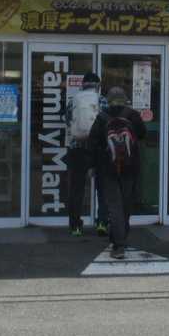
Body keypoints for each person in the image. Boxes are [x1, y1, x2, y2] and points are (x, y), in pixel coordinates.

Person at [88, 85, 146, 260]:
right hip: (130, 167)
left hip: (108, 168)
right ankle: (121, 238)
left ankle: (118, 244)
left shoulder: (102, 117)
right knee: (126, 205)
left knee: (114, 206)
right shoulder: (133, 115)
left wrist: (93, 166)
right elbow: (142, 134)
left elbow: (93, 142)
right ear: (125, 99)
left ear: (108, 100)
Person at [65, 71, 107, 238]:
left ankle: (75, 226)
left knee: (77, 188)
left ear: (83, 85)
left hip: (78, 147)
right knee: (102, 187)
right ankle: (102, 222)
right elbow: (106, 122)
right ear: (98, 85)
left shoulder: (73, 101)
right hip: (99, 148)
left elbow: (67, 121)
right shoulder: (101, 100)